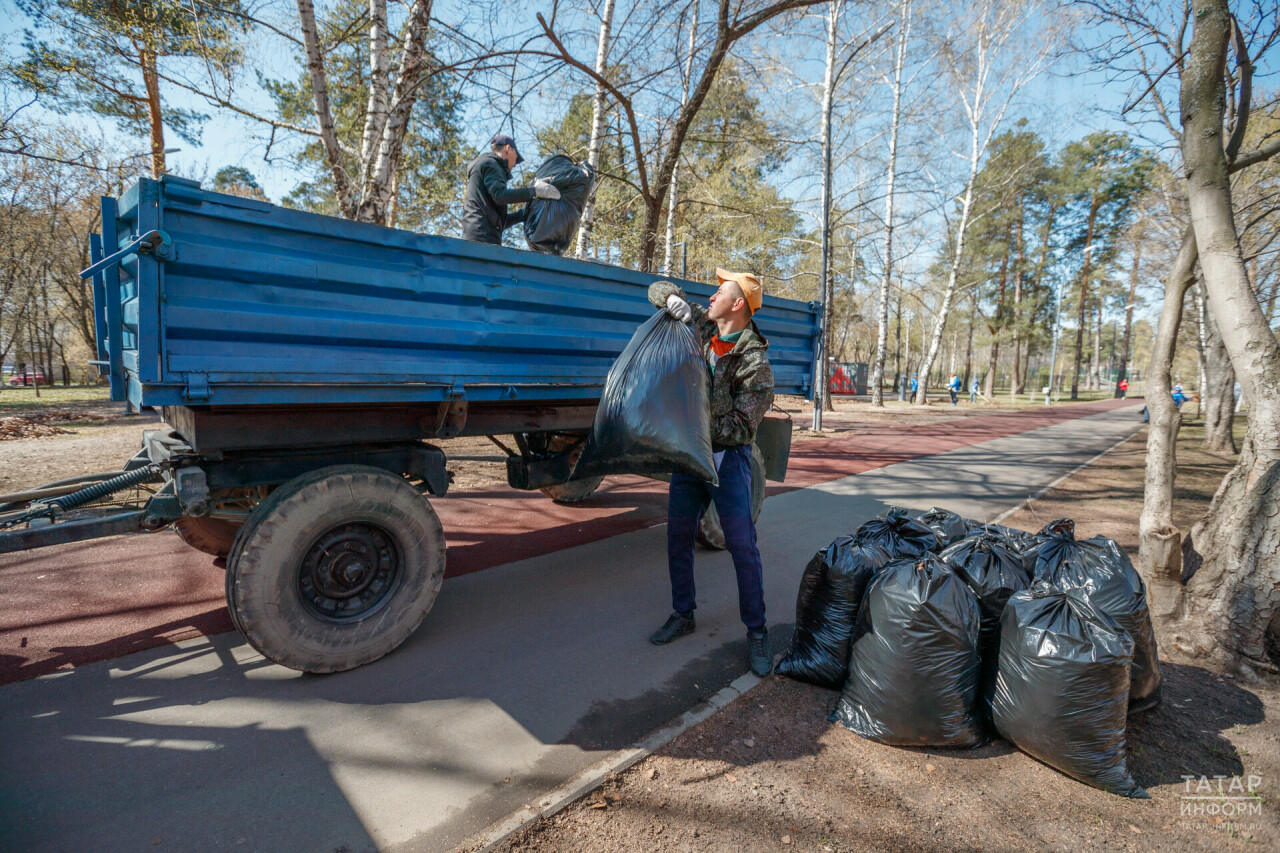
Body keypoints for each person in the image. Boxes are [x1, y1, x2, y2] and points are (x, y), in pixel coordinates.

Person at [647, 269, 775, 677]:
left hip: (726, 460)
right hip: (690, 458)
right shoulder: (704, 327)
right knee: (677, 536)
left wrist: (694, 426)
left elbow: (743, 425)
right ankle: (683, 613)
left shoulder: (754, 361)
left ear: (738, 305)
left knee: (741, 545)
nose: (711, 295)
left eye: (720, 291)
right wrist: (671, 300)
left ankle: (756, 631)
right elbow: (657, 288)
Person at [460, 134, 560, 244]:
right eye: (516, 158)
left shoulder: (487, 165)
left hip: (478, 235)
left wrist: (522, 214)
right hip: (481, 238)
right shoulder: (491, 164)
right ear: (507, 149)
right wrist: (535, 191)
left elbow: (498, 222)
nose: (515, 164)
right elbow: (500, 196)